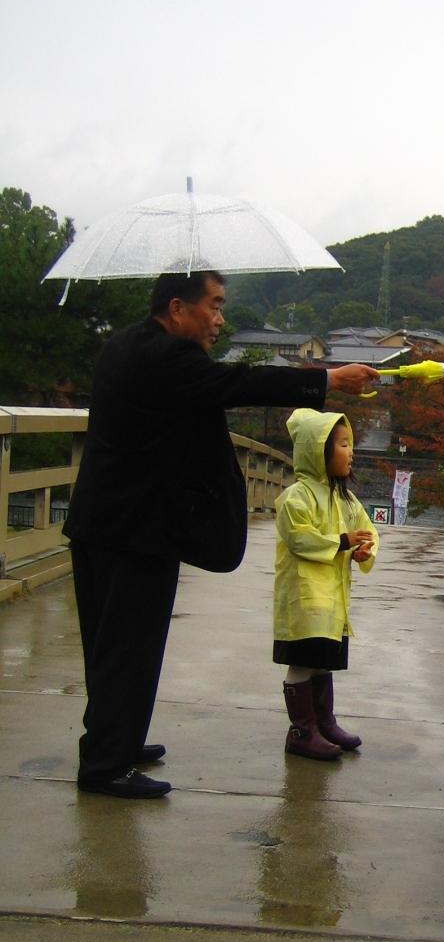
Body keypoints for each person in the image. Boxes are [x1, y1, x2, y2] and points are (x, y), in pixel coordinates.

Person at [64, 270, 380, 799]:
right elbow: (240, 384)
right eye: (213, 305)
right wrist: (326, 381)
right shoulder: (171, 358)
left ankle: (114, 740)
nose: (219, 319)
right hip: (137, 530)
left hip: (100, 519)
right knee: (130, 647)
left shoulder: (124, 345)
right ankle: (104, 766)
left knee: (108, 643)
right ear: (177, 307)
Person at [273, 410, 378, 760]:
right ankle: (301, 732)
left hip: (333, 596)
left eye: (350, 444)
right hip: (303, 595)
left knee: (322, 660)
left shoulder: (344, 499)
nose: (351, 452)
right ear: (318, 451)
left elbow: (368, 529)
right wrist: (343, 541)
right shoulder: (296, 497)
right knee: (302, 661)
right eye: (344, 444)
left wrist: (365, 549)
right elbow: (299, 538)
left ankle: (323, 722)